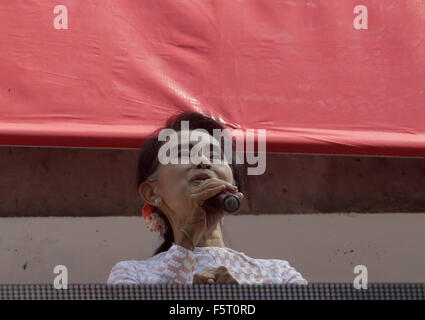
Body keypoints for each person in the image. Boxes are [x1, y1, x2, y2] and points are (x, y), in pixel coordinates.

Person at [107, 111, 307, 285]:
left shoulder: (277, 274)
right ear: (151, 192)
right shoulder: (131, 274)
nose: (203, 162)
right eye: (183, 154)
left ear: (233, 185)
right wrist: (188, 239)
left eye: (214, 155)